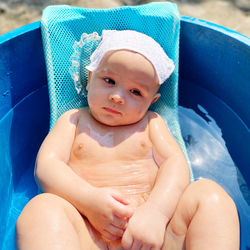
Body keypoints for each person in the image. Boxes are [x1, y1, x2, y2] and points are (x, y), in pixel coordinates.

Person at [16, 30, 239, 250]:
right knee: (42, 209)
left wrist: (156, 212)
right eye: (109, 80)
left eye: (135, 92)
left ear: (152, 100)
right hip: (92, 236)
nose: (117, 97)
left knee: (209, 195)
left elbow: (176, 165)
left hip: (156, 238)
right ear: (90, 78)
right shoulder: (73, 122)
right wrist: (89, 201)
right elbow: (47, 166)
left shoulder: (152, 124)